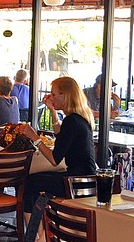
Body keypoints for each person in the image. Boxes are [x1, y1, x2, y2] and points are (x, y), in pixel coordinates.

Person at [19, 76, 97, 211]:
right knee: (37, 180)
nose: (51, 97)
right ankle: (40, 227)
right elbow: (61, 135)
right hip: (86, 179)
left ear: (65, 95)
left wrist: (34, 137)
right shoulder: (79, 117)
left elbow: (54, 159)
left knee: (29, 182)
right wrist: (52, 111)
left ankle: (35, 231)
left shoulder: (71, 121)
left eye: (54, 94)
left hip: (77, 182)